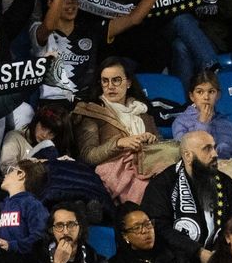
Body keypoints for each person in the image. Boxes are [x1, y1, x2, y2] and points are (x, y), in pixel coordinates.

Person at [70, 59, 177, 204]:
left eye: (116, 80)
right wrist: (119, 143)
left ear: (128, 83)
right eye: (105, 81)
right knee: (155, 190)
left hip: (149, 167)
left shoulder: (143, 112)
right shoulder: (92, 113)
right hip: (116, 173)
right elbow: (88, 156)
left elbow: (158, 148)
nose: (110, 86)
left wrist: (149, 141)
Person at [141, 130, 232, 263]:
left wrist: (221, 253)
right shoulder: (162, 184)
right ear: (187, 156)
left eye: (214, 147)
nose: (215, 154)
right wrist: (197, 252)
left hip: (220, 258)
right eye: (207, 149)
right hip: (176, 262)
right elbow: (158, 227)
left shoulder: (227, 184)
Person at [171, 71, 232, 207]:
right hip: (196, 172)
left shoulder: (229, 124)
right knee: (230, 175)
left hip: (229, 168)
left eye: (211, 92)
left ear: (218, 95)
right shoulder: (181, 122)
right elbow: (185, 156)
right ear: (192, 96)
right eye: (200, 92)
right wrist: (203, 123)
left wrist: (230, 163)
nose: (206, 97)